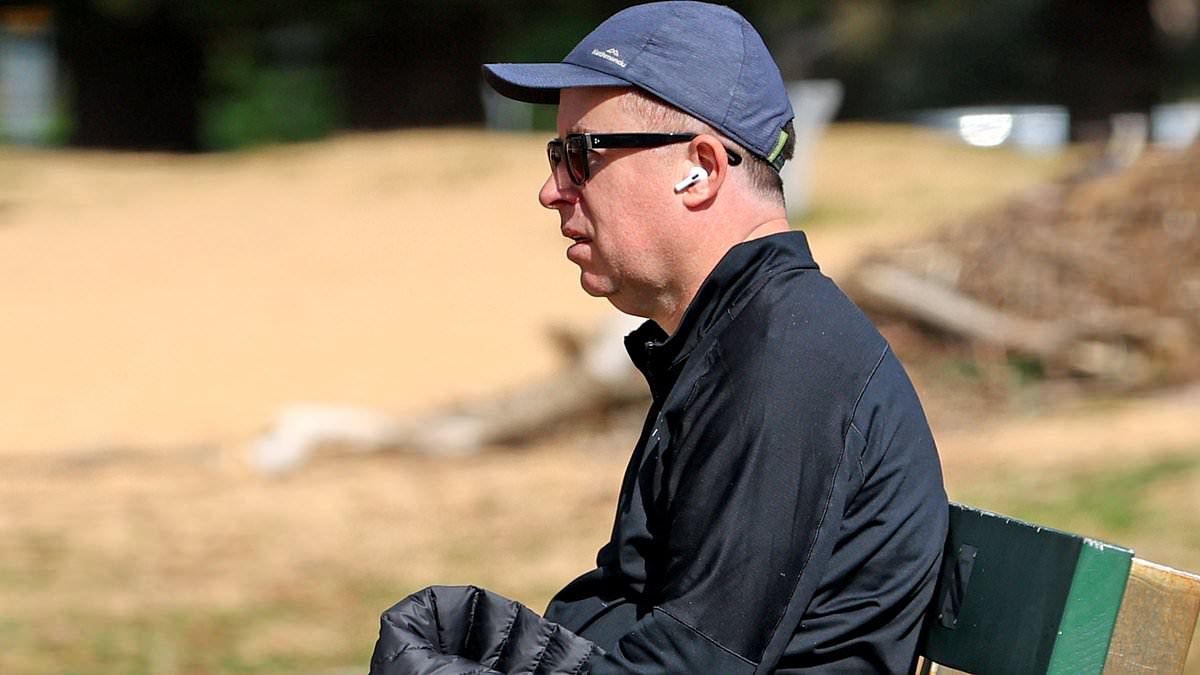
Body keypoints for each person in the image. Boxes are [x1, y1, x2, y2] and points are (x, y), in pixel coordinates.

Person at [476, 3, 950, 673]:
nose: (552, 191)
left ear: (699, 168)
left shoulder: (788, 363)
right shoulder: (736, 340)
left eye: (580, 155)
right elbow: (625, 606)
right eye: (557, 155)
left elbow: (693, 663)